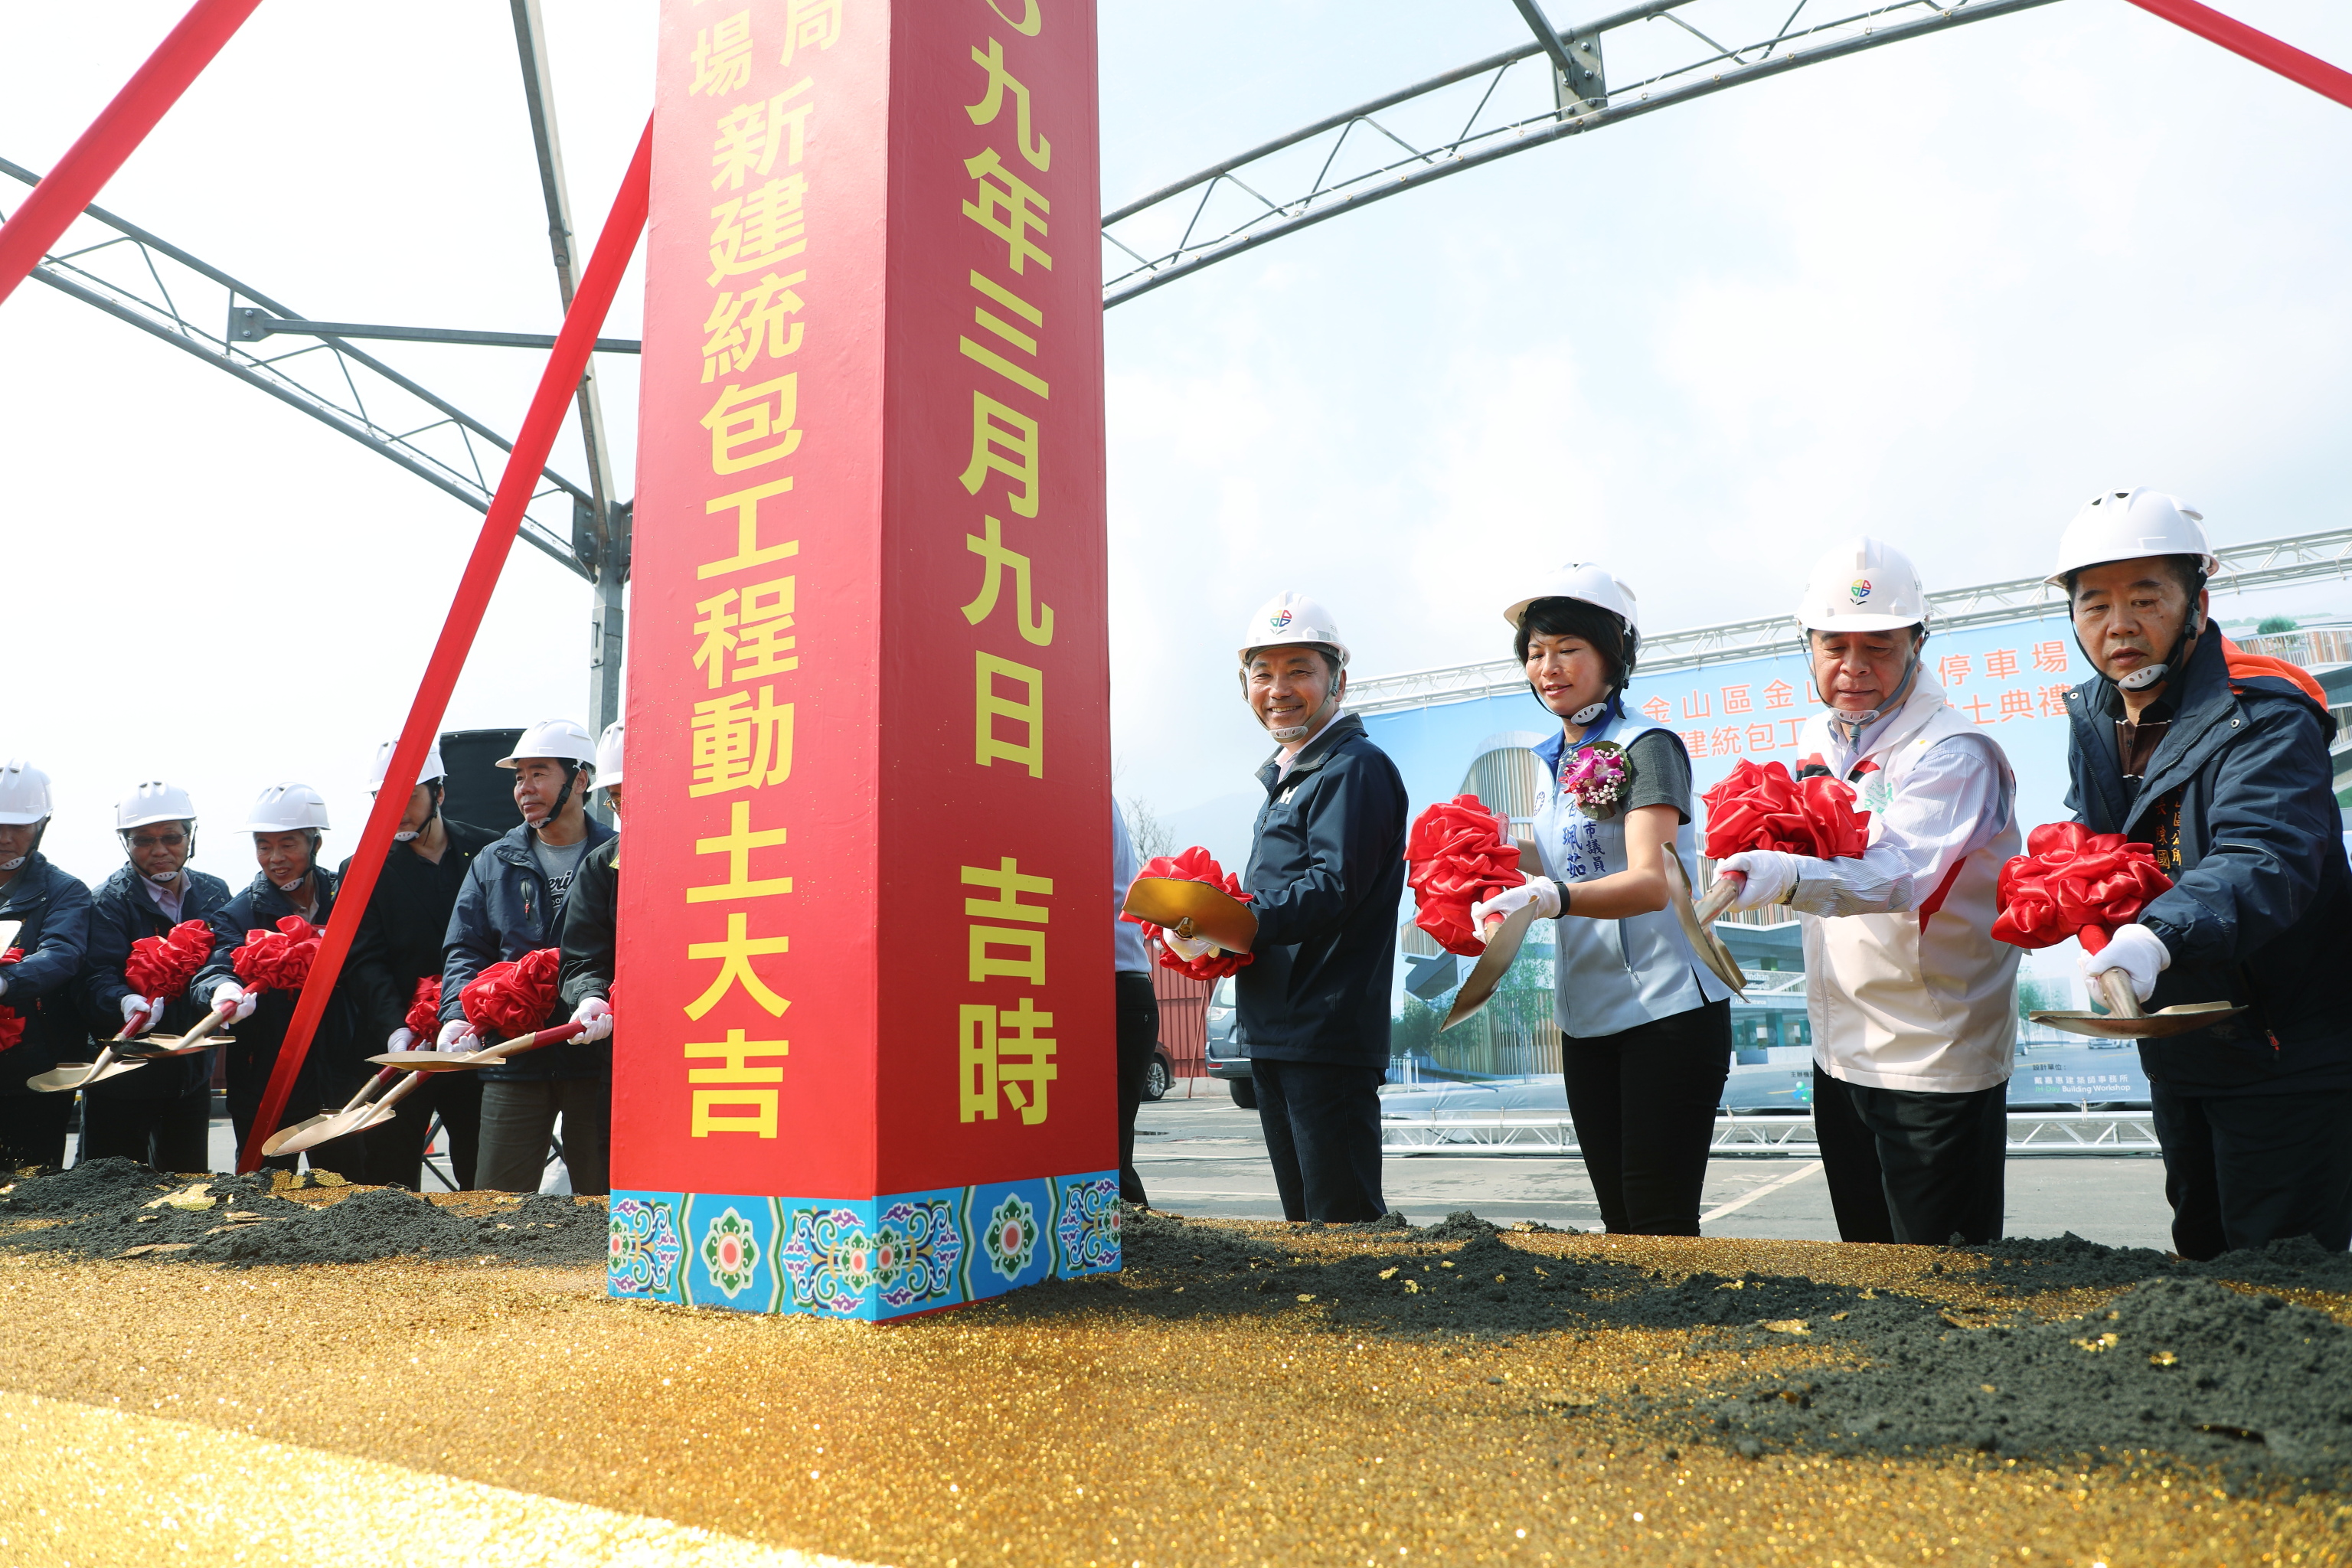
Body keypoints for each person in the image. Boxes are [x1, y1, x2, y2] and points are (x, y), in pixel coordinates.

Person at [2051, 488, 2352, 1259]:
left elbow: (2265, 856)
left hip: (2286, 1048)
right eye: (2095, 604)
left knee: (2286, 1284)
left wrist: (2154, 937)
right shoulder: (2095, 713)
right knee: (2205, 1259)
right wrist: (2062, 883)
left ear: (2197, 601)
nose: (2118, 624)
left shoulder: (2266, 712)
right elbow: (2101, 846)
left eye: (2145, 597)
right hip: (2181, 1046)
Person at [1710, 538, 2020, 1246]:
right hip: (1841, 1052)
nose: (1853, 669)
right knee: (1870, 1265)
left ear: (1918, 641)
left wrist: (1787, 877)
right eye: (1834, 646)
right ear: (1808, 648)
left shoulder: (1954, 751)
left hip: (1930, 1057)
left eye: (1878, 647)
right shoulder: (1820, 739)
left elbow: (1899, 873)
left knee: (1947, 1275)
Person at [1468, 566, 1734, 1236]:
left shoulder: (1648, 745)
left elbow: (1649, 881)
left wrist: (1550, 895)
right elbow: (1559, 863)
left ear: (1614, 653)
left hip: (1666, 1013)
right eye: (1535, 652)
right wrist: (1482, 854)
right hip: (1588, 1019)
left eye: (1567, 649)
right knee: (1620, 1222)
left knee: (1658, 1220)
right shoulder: (1552, 757)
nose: (1548, 667)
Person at [1213, 593, 1406, 1223]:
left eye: (1299, 669)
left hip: (1327, 1031)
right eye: (1262, 673)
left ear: (1338, 681)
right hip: (1278, 1031)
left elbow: (1331, 887)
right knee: (1306, 1225)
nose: (1279, 688)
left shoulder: (1355, 768)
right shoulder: (1290, 776)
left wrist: (1236, 919)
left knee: (1343, 1224)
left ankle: (1374, 1325)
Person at [442, 719, 615, 1194]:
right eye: (519, 777)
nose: (525, 789)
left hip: (594, 1060)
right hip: (513, 1058)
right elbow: (466, 947)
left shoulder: (618, 855)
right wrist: (457, 1016)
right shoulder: (493, 861)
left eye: (539, 773)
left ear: (579, 780)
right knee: (496, 1203)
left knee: (600, 1201)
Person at [344, 740, 499, 1190]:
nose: (397, 810)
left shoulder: (490, 852)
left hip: (474, 1043)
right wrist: (396, 1028)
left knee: (482, 1174)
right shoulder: (363, 869)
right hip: (400, 1048)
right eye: (383, 799)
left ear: (440, 794)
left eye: (409, 795)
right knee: (390, 1178)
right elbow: (364, 961)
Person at [193, 782, 358, 1173]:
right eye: (264, 846)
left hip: (339, 1071)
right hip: (265, 1075)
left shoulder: (348, 898)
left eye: (288, 844)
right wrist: (222, 990)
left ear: (315, 844)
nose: (275, 858)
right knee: (263, 1189)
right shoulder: (239, 914)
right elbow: (216, 966)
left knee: (345, 1188)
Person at [76, 782, 233, 1171]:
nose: (160, 850)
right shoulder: (107, 902)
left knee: (188, 1191)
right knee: (109, 1191)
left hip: (191, 1072)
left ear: (190, 836)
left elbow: (224, 958)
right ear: (125, 843)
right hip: (124, 1076)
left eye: (171, 837)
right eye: (143, 840)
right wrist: (124, 1001)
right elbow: (95, 977)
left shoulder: (214, 893)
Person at [0, 761, 92, 1168]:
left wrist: (6, 982)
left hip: (35, 1072)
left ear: (42, 825)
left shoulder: (64, 890)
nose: (5, 838)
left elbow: (62, 953)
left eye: (18, 827)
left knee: (34, 1194)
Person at [553, 720, 622, 1198]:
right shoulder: (603, 865)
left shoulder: (731, 848)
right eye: (615, 797)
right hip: (627, 1057)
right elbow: (581, 957)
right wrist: (590, 996)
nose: (625, 808)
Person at [1110, 805, 1158, 1205]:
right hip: (1121, 991)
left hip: (1117, 990)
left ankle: (1137, 1255)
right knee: (1113, 1163)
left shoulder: (1080, 787)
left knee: (1106, 1163)